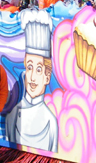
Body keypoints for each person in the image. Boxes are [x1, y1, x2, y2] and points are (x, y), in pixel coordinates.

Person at [5, 10, 58, 152]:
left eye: (39, 69)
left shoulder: (50, 122)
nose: (33, 77)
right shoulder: (13, 115)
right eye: (29, 67)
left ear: (47, 76)